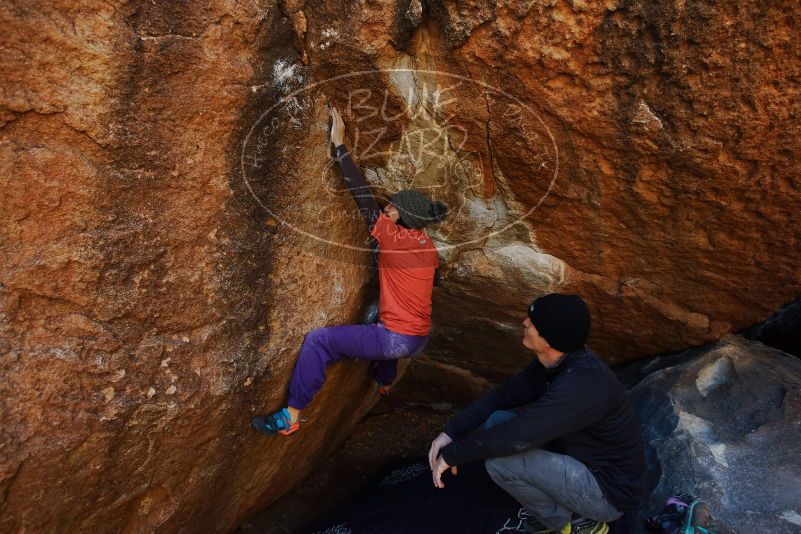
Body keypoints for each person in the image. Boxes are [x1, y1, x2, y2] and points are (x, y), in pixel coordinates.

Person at [251, 107, 448, 436]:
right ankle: (385, 382)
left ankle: (290, 416)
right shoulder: (426, 245)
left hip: (395, 339)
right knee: (377, 318)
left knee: (319, 342)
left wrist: (339, 146)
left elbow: (363, 200)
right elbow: (435, 280)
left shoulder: (394, 238)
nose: (386, 208)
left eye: (392, 206)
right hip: (417, 338)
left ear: (401, 216)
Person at [428, 294, 646, 534]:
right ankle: (562, 509)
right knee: (496, 421)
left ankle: (577, 523)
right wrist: (451, 432)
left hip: (607, 492)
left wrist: (454, 455)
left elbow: (517, 436)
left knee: (501, 461)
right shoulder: (556, 364)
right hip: (578, 456)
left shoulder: (582, 385)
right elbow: (503, 397)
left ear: (551, 340)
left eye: (533, 322)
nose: (524, 323)